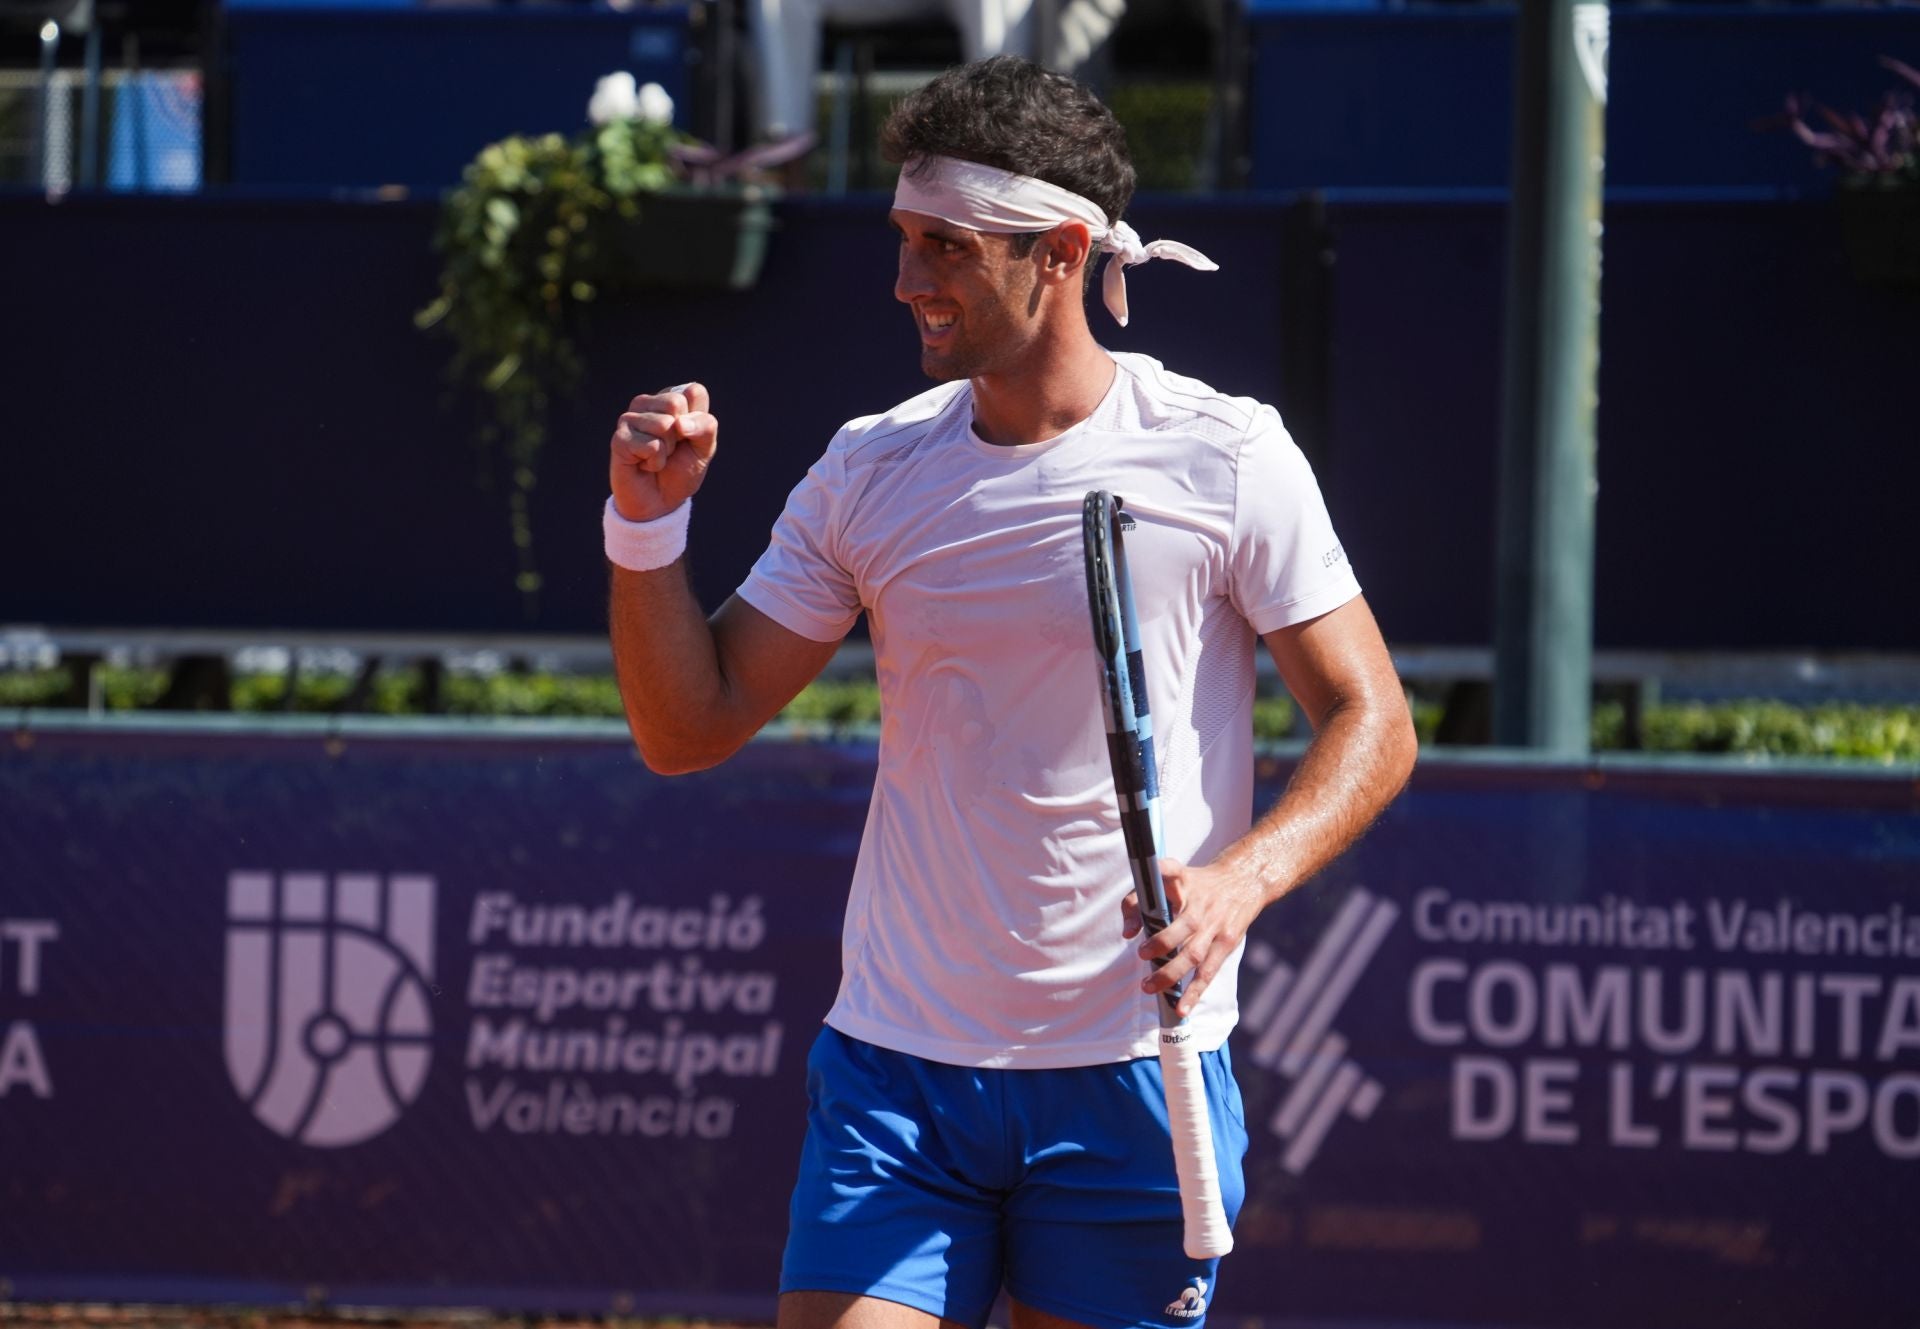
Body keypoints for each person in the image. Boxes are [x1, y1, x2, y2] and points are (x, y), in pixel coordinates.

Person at [603, 55, 1416, 1329]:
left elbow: (1375, 722)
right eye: (904, 240)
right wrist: (645, 531)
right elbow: (686, 727)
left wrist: (1238, 887)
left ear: (1061, 252)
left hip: (1133, 1078)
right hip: (896, 1072)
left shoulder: (1227, 452)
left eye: (947, 247)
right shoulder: (868, 472)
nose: (907, 281)